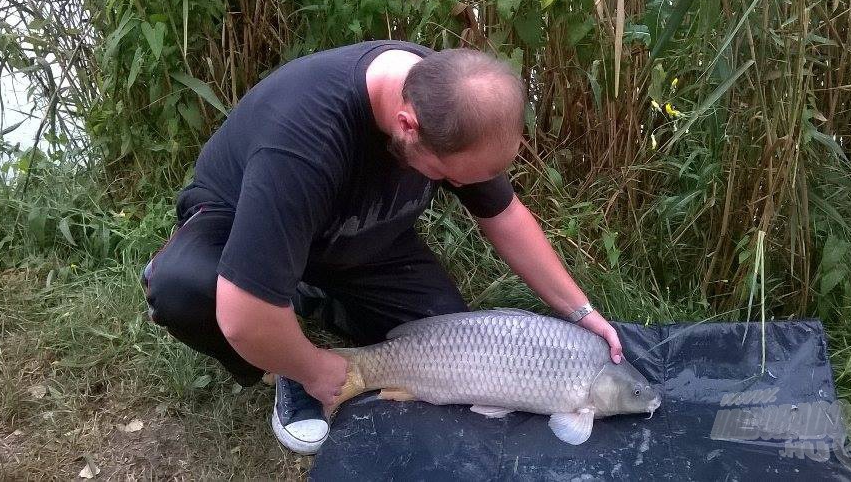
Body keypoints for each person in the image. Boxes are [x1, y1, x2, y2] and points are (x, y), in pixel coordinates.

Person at [141, 40, 623, 455]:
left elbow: (504, 216)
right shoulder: (305, 139)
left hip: (360, 237)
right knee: (188, 290)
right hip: (243, 226)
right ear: (406, 124)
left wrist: (581, 311)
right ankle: (281, 362)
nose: (459, 186)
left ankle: (303, 299)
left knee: (447, 339)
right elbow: (241, 317)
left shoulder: (452, 100)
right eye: (449, 177)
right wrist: (315, 368)